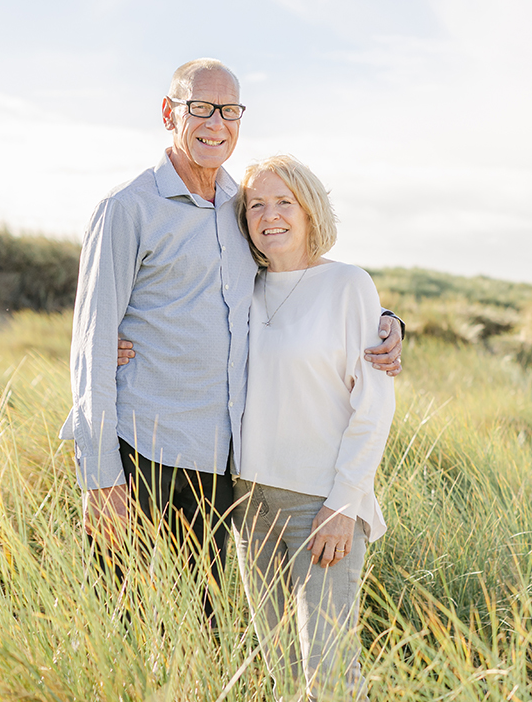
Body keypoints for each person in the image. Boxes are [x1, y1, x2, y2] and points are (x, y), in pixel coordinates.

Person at [59, 58, 402, 622]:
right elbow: (92, 346)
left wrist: (382, 320)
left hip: (220, 470)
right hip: (139, 455)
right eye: (200, 108)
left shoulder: (239, 208)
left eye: (229, 110)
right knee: (118, 623)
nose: (215, 122)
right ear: (170, 114)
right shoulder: (126, 209)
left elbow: (292, 278)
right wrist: (100, 479)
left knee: (203, 630)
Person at [232, 155, 395, 701]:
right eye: (257, 204)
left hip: (321, 504)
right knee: (281, 673)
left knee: (326, 677)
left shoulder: (349, 285)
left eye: (285, 203)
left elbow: (374, 406)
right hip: (248, 500)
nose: (270, 215)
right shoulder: (240, 290)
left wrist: (343, 505)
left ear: (309, 211)